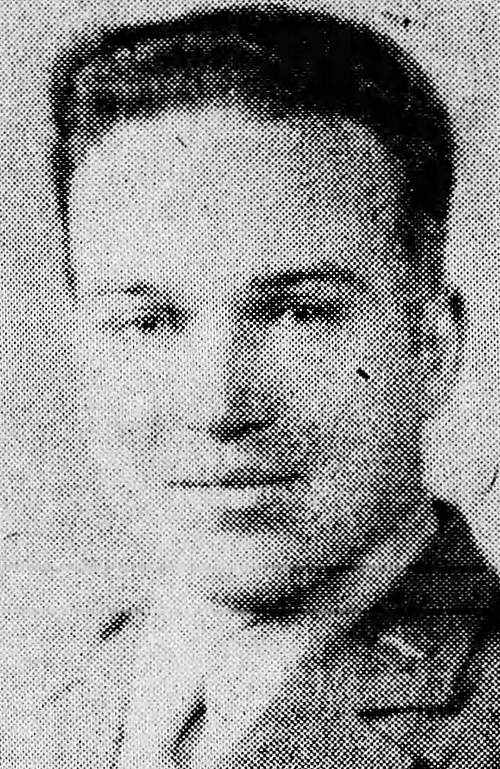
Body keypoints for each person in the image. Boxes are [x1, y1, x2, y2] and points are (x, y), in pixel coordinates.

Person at [35, 5, 500, 767]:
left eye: (298, 313)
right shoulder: (49, 695)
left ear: (433, 344)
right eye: (147, 322)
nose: (219, 405)